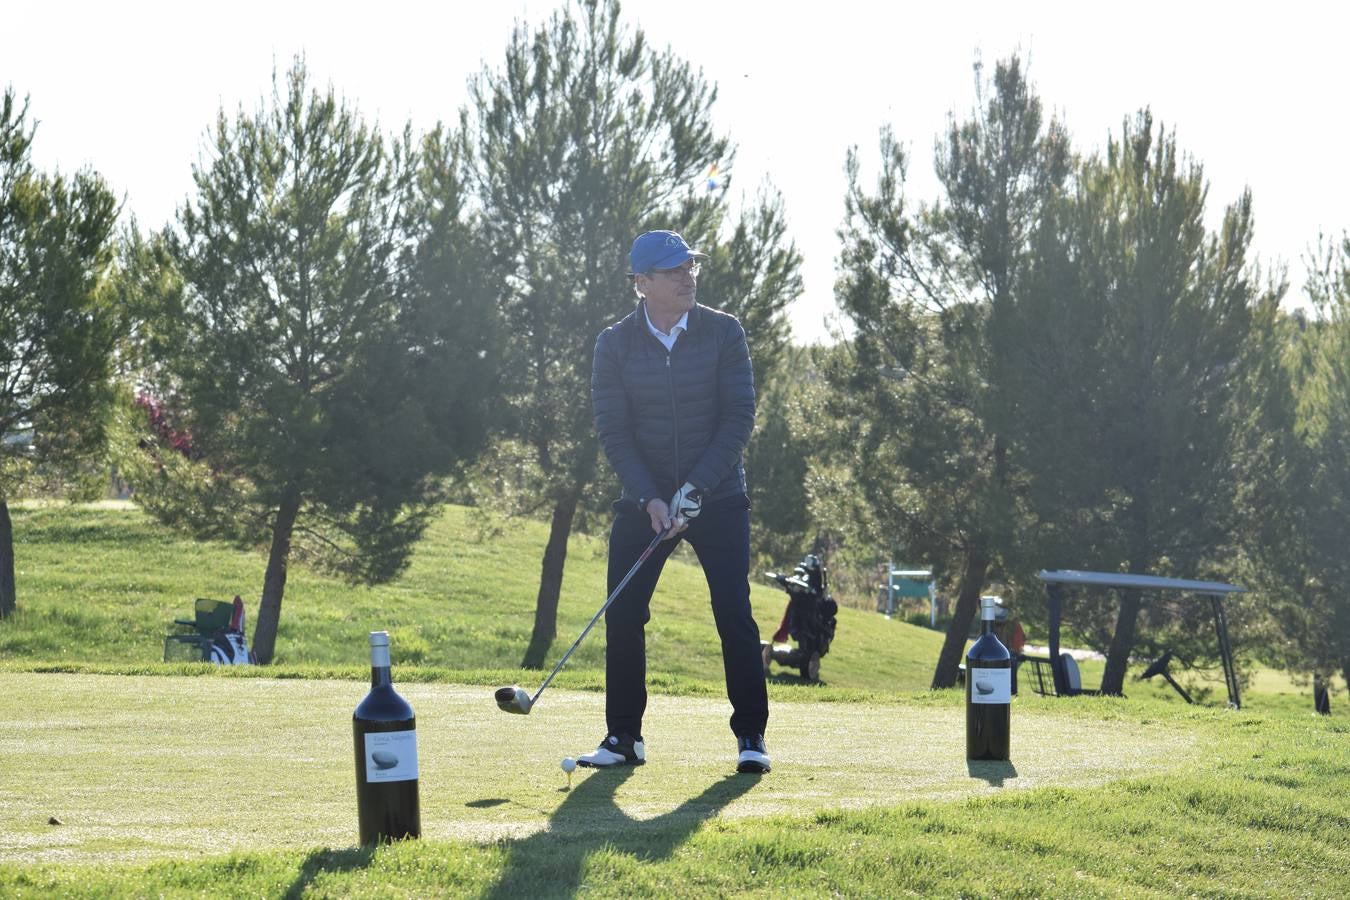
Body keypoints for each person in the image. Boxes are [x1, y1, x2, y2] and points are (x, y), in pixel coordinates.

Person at [579, 229, 770, 774]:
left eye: (691, 267)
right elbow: (613, 430)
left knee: (733, 611)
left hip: (719, 496)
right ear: (642, 284)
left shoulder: (723, 332)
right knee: (623, 612)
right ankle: (623, 738)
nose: (688, 276)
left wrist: (697, 490)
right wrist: (650, 497)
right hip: (647, 500)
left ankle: (751, 736)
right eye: (673, 271)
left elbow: (739, 418)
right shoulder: (613, 343)